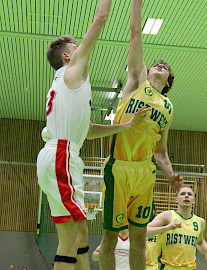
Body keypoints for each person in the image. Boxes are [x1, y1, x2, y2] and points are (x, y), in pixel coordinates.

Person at [37, 1, 150, 269]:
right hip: (61, 155)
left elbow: (86, 131)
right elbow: (100, 17)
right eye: (76, 49)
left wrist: (126, 126)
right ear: (67, 57)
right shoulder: (73, 73)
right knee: (69, 239)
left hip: (61, 154)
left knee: (81, 233)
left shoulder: (67, 88)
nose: (82, 51)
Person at [98, 0, 183, 269]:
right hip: (119, 168)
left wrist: (170, 174)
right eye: (155, 63)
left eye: (163, 66)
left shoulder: (168, 108)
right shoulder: (136, 81)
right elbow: (135, 34)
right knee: (110, 238)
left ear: (168, 81)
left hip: (145, 173)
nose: (158, 65)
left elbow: (161, 151)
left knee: (139, 238)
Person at [147, 186, 207, 269]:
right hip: (168, 267)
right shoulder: (167, 216)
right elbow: (144, 232)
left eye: (189, 194)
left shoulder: (200, 222)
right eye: (183, 194)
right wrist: (167, 228)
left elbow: (200, 242)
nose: (186, 196)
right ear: (176, 200)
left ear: (193, 201)